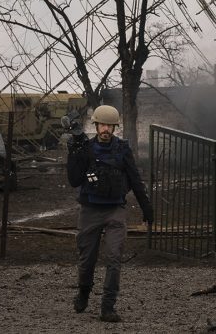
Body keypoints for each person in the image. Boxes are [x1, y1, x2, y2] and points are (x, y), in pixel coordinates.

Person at [66, 105, 154, 323]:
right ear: (96, 125)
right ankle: (84, 293)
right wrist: (73, 153)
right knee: (87, 260)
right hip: (90, 210)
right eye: (102, 125)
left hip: (115, 209)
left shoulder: (122, 149)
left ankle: (108, 306)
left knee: (114, 258)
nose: (106, 129)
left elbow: (134, 179)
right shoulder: (85, 148)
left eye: (110, 126)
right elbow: (74, 180)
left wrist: (146, 206)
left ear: (115, 128)